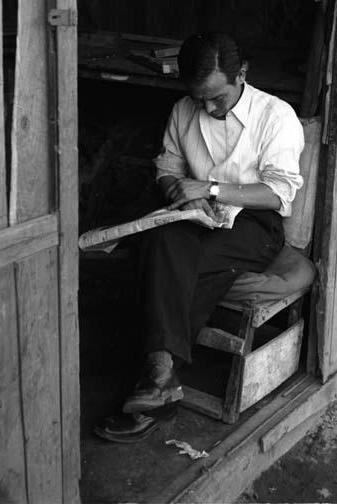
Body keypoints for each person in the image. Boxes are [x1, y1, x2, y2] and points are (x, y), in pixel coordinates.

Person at [116, 31, 305, 416]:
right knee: (162, 241)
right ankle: (162, 380)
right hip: (196, 214)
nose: (208, 107)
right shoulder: (184, 110)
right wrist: (180, 192)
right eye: (199, 97)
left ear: (242, 75)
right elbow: (167, 168)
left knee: (169, 267)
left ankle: (156, 373)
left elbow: (278, 194)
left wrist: (212, 188)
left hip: (255, 224)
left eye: (217, 97)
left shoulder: (275, 116)